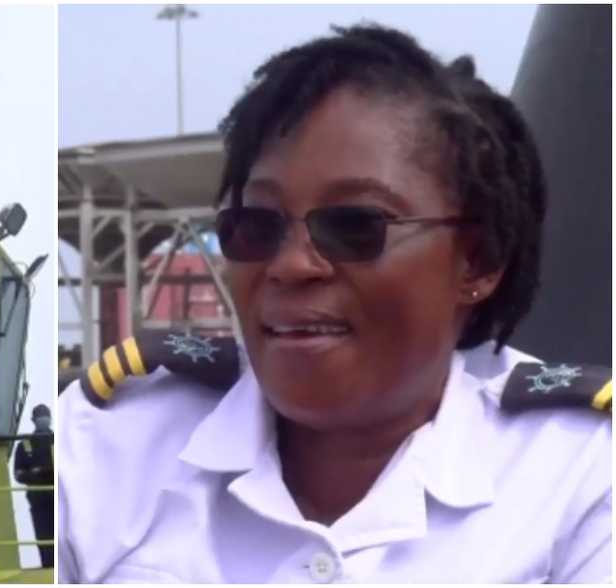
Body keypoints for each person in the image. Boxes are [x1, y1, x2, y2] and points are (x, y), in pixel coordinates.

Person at [58, 25, 611, 583]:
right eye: (256, 226)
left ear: (478, 260)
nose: (291, 265)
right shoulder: (107, 447)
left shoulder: (580, 474)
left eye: (355, 226)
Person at [14, 403, 54, 567]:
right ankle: (48, 566)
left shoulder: (60, 439)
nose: (43, 419)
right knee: (43, 536)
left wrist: (41, 471)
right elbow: (18, 474)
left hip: (60, 498)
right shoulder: (25, 444)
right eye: (40, 416)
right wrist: (38, 474)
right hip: (38, 499)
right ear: (33, 420)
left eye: (45, 416)